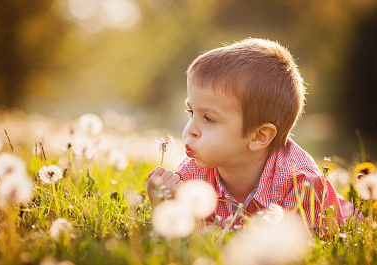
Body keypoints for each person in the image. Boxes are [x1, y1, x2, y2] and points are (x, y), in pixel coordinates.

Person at [147, 38, 352, 231]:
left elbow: (295, 250)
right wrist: (166, 204)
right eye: (191, 112)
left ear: (259, 136)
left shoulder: (301, 185)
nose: (190, 129)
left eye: (209, 118)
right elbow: (189, 244)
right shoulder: (192, 174)